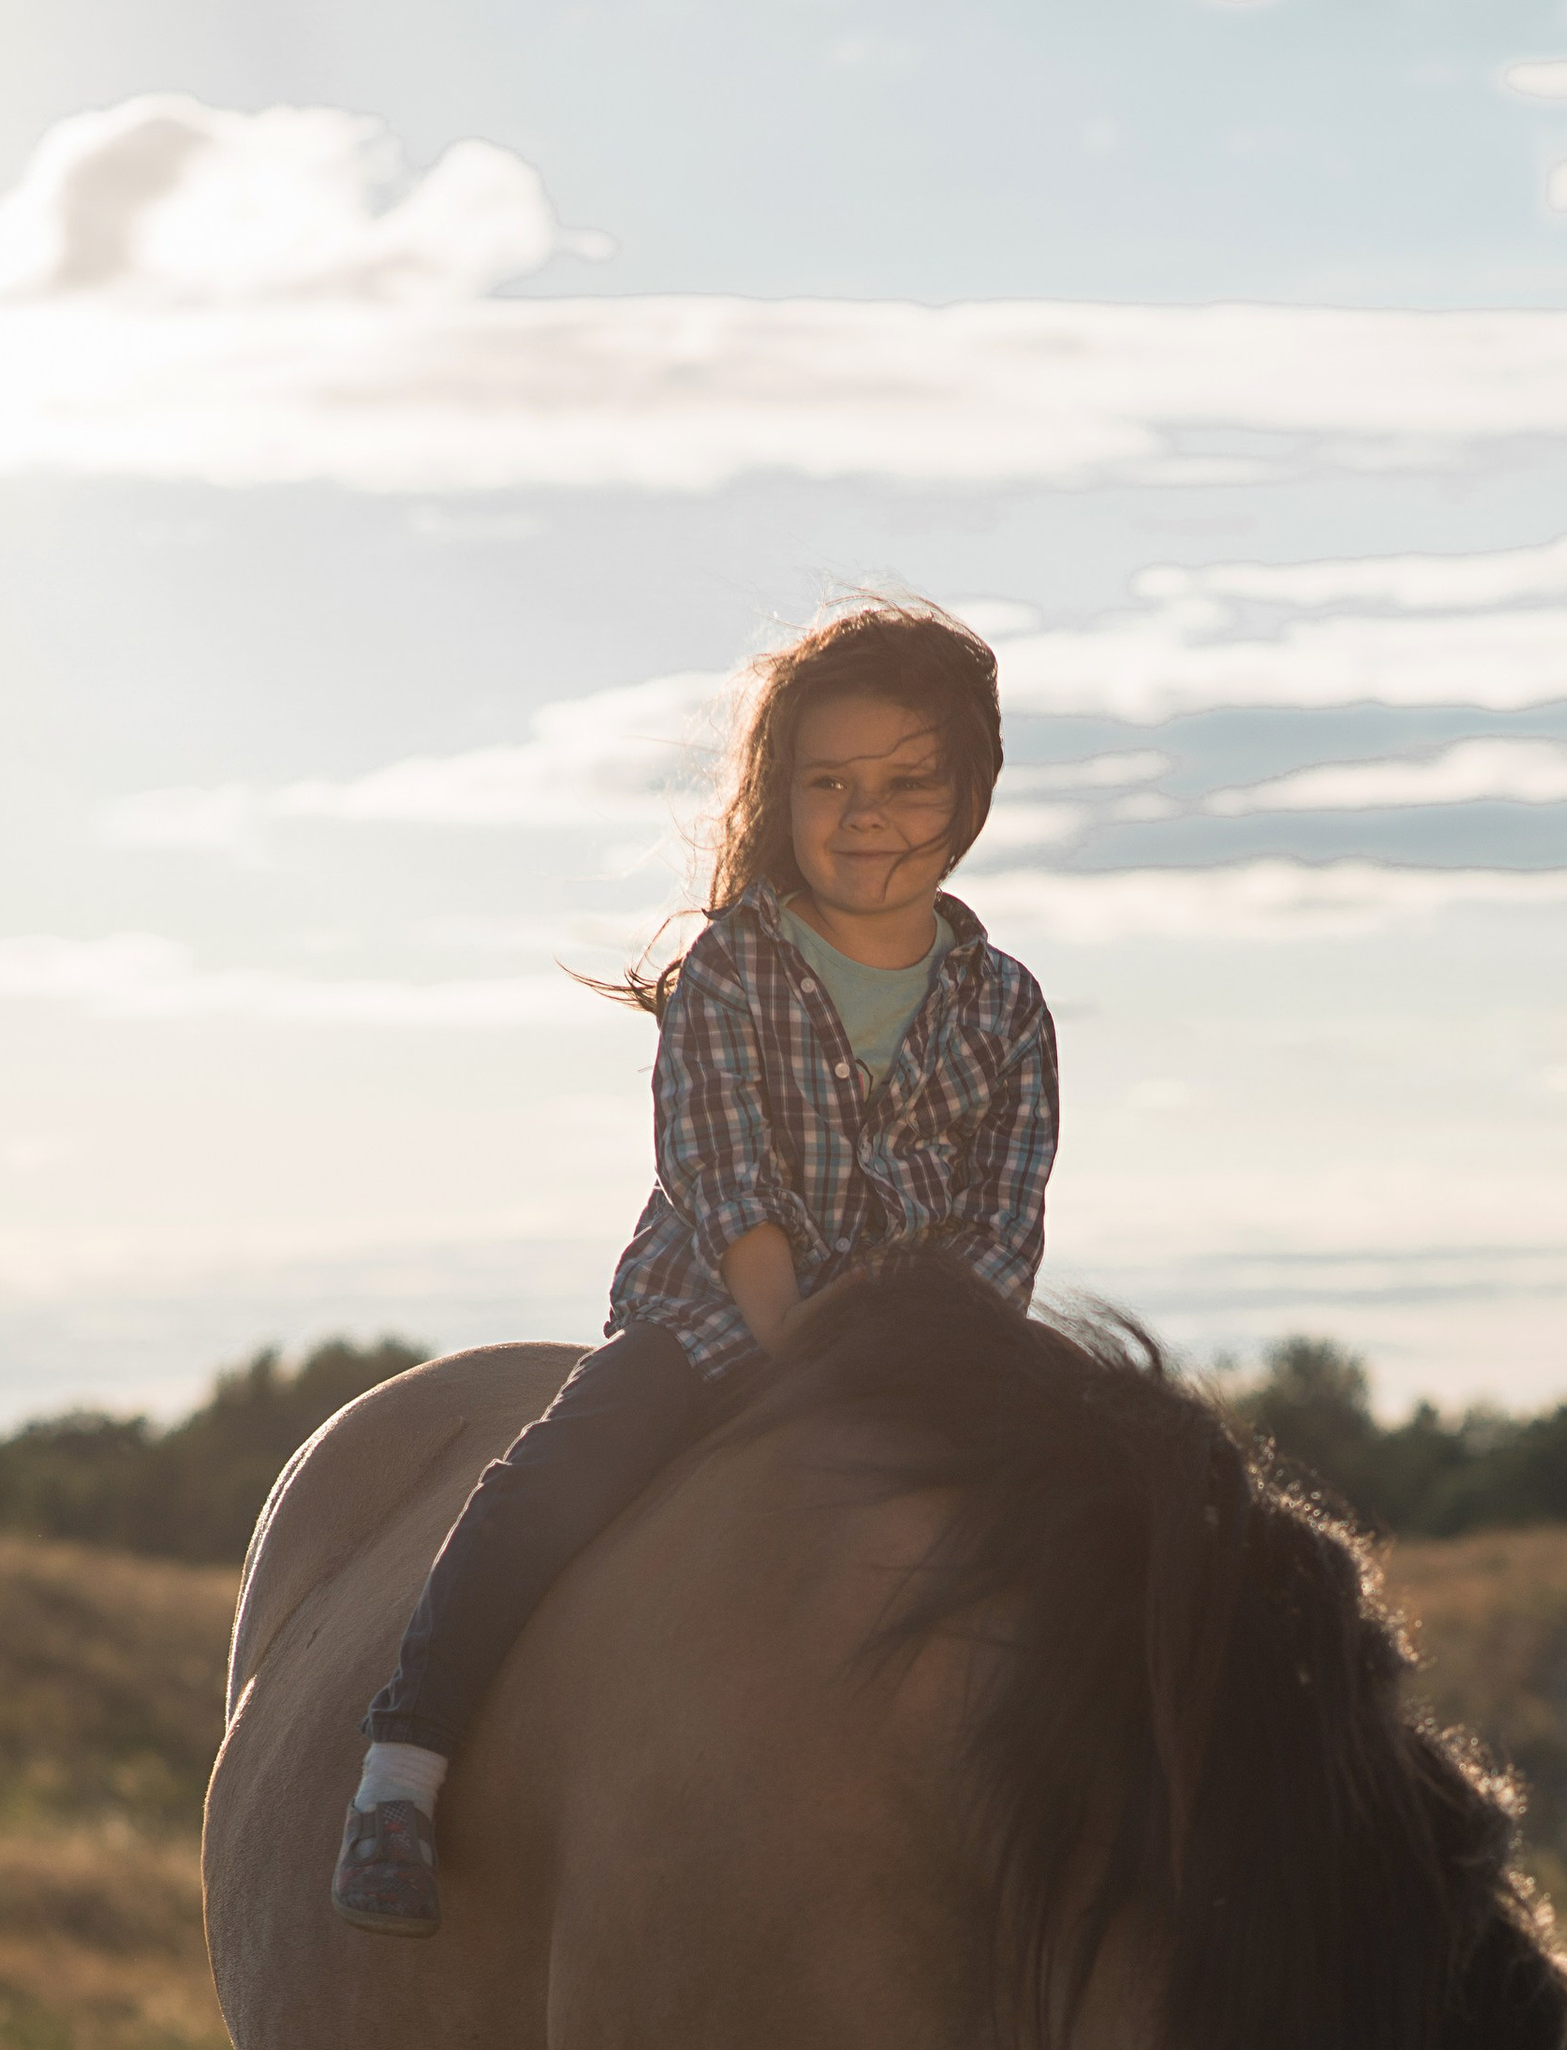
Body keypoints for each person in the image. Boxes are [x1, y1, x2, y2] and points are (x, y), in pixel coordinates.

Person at [331, 600, 1057, 1935]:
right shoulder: (734, 970)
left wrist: (928, 1380)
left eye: (908, 784)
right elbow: (734, 1198)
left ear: (970, 799)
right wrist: (813, 1376)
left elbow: (1000, 1232)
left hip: (924, 1361)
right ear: (781, 801)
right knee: (561, 1473)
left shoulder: (1005, 1006)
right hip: (721, 1324)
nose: (866, 816)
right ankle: (404, 1768)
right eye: (828, 785)